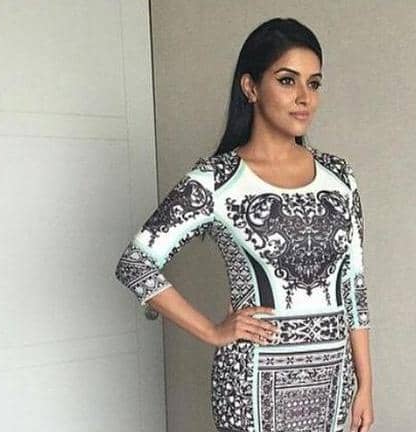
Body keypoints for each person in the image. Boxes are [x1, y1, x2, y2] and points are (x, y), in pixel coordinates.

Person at [114, 17, 374, 432]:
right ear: (250, 87)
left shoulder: (340, 177)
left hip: (333, 380)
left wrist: (366, 384)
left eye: (314, 83)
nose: (304, 97)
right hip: (249, 381)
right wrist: (213, 331)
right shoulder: (216, 180)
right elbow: (135, 263)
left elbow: (354, 284)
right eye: (287, 81)